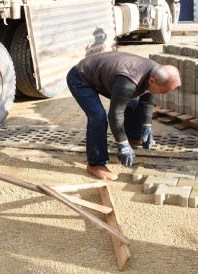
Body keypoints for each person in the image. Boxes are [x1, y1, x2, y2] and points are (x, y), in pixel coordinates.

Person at [67, 52, 181, 181]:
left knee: (134, 101)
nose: (165, 94)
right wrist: (122, 143)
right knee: (98, 117)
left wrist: (147, 125)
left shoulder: (154, 71)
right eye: (164, 90)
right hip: (81, 78)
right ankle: (95, 164)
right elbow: (116, 114)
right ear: (152, 80)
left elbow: (147, 101)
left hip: (105, 75)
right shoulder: (128, 82)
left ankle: (133, 136)